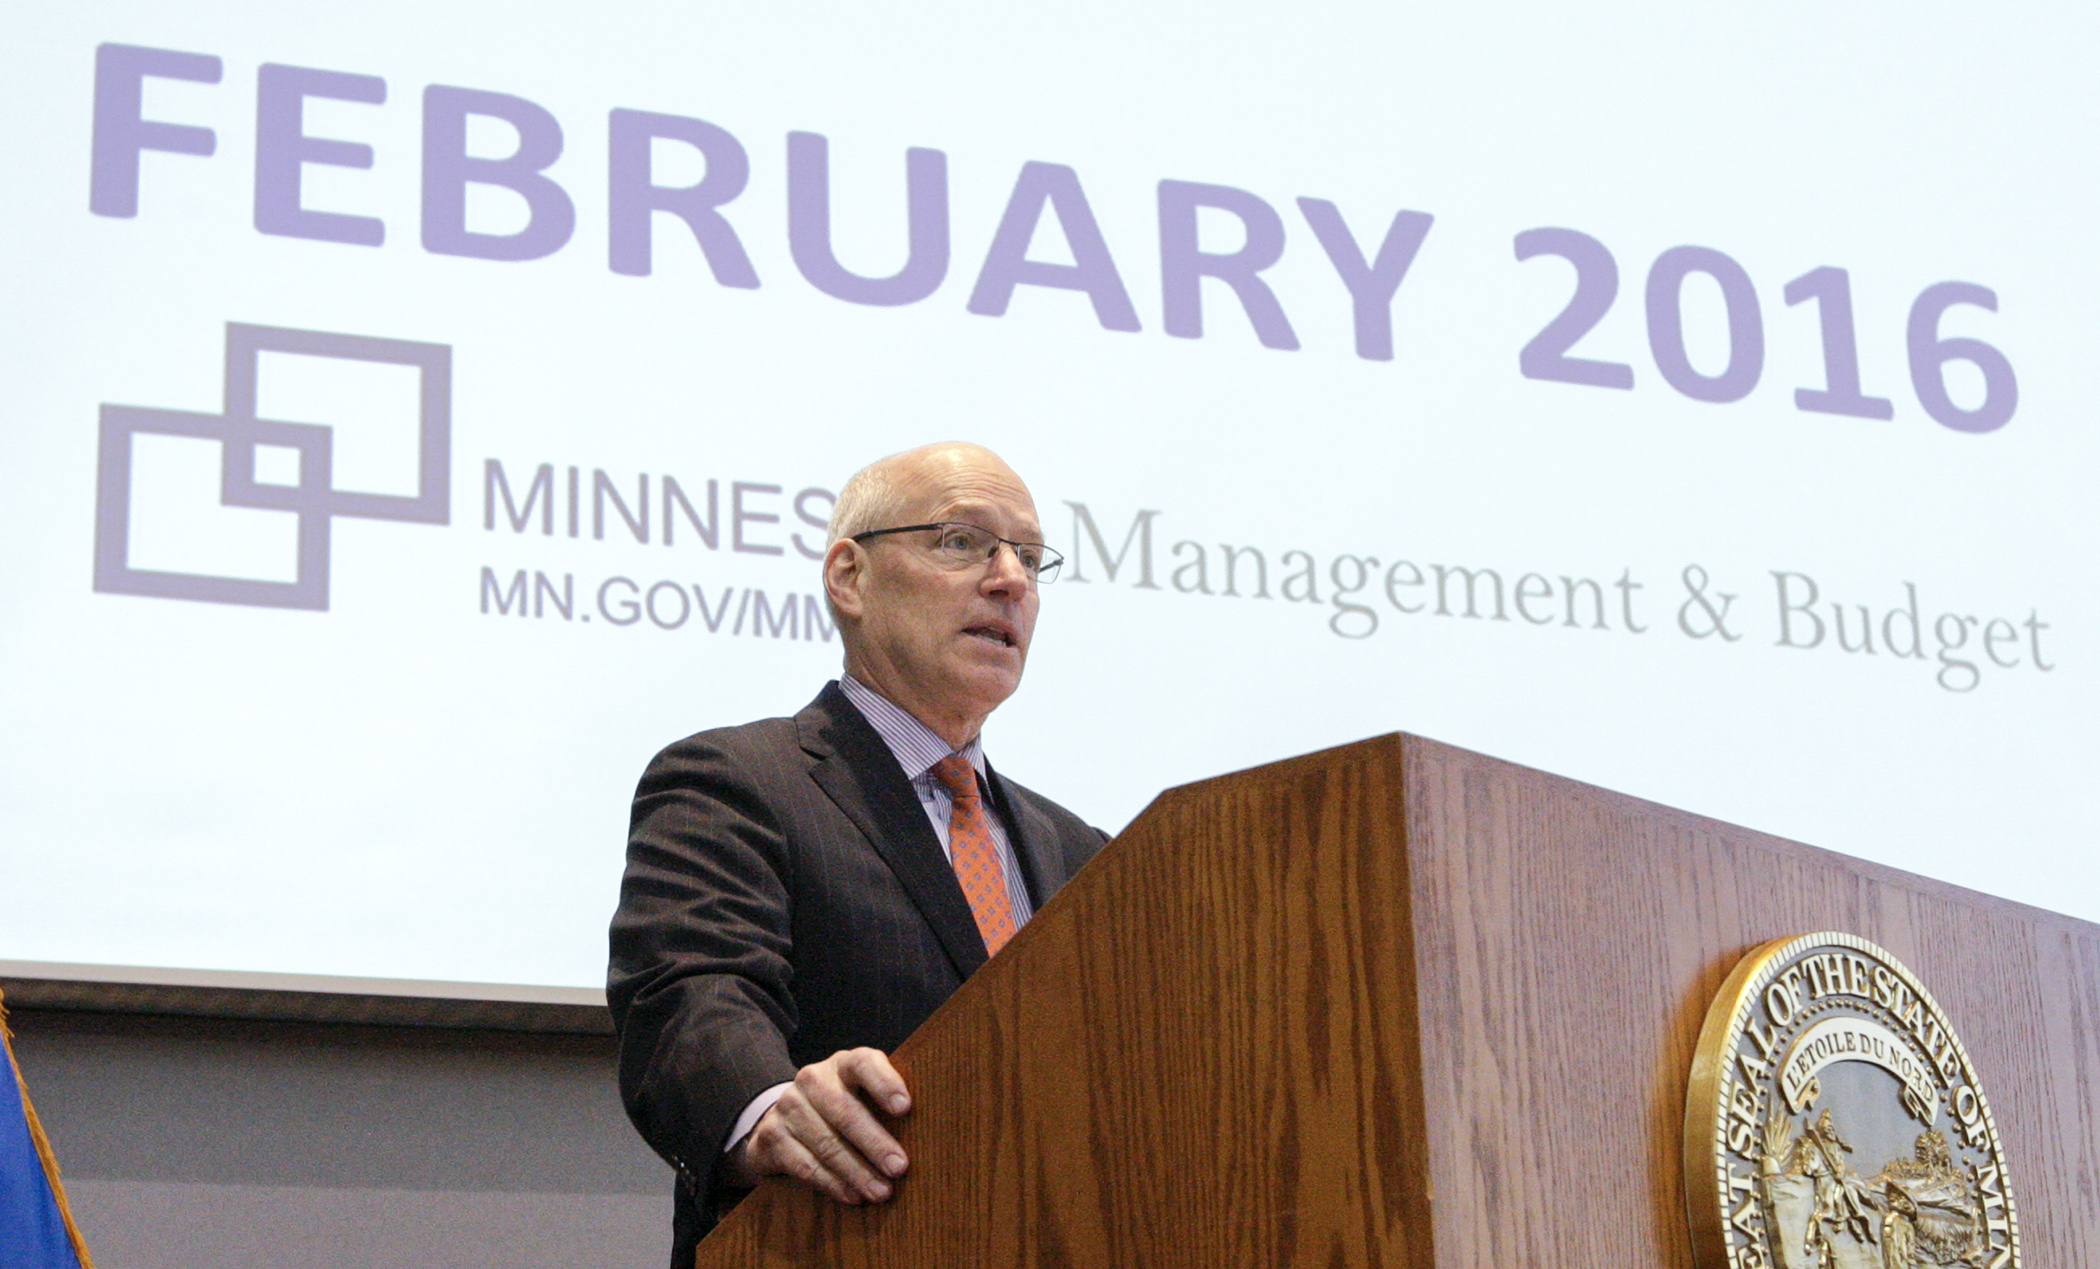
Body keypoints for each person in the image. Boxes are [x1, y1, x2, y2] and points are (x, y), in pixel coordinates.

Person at [607, 442, 1107, 1267]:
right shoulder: (735, 781)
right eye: (962, 542)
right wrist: (769, 1108)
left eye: (1028, 556)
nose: (1010, 580)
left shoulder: (1080, 850)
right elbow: (690, 994)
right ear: (849, 577)